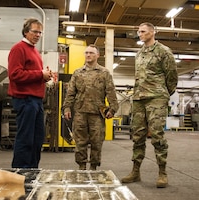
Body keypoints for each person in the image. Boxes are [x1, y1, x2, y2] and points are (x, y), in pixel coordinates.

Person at [121, 22, 178, 188]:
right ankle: (135, 171)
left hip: (156, 98)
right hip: (139, 98)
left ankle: (162, 172)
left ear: (153, 32)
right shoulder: (139, 54)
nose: (140, 34)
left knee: (157, 135)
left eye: (143, 31)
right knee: (137, 136)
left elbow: (172, 77)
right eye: (138, 31)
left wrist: (162, 93)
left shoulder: (163, 51)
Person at [62, 44, 119, 170]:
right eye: (86, 52)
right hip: (80, 113)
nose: (88, 55)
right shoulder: (77, 73)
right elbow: (71, 92)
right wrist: (66, 108)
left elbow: (111, 92)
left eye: (91, 53)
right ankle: (81, 167)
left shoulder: (104, 73)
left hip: (97, 114)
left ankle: (94, 168)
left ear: (98, 55)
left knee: (97, 142)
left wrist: (113, 109)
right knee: (80, 142)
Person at [8, 18, 53, 168]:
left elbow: (33, 74)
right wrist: (40, 74)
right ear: (26, 32)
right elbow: (15, 74)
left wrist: (45, 76)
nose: (38, 35)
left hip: (36, 100)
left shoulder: (34, 51)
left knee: (37, 139)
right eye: (35, 31)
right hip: (25, 99)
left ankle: (32, 172)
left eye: (40, 32)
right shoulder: (18, 49)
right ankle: (21, 173)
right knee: (26, 139)